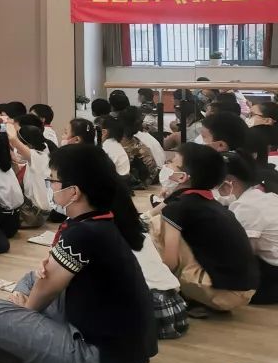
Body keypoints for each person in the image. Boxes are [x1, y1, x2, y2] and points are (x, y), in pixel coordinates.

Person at [0, 143, 158, 363]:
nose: (51, 186)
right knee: (31, 278)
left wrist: (20, 316)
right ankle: (19, 343)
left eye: (54, 181)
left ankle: (14, 344)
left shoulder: (83, 233)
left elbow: (45, 291)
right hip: (124, 351)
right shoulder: (103, 221)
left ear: (74, 192)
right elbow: (48, 280)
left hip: (100, 359)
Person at [152, 144, 258, 312]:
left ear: (183, 177)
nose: (167, 166)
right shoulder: (210, 203)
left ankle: (173, 294)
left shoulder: (179, 207)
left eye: (172, 163)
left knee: (156, 225)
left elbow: (170, 262)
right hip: (246, 289)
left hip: (221, 293)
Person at [222, 151, 278, 305]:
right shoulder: (263, 195)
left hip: (271, 275)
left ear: (230, 181)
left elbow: (244, 254)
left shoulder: (246, 207)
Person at [7, 122, 53, 227]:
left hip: (33, 214)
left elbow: (13, 139)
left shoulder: (37, 157)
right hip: (37, 213)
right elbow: (16, 158)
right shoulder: (42, 155)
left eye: (20, 145)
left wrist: (8, 123)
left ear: (29, 145)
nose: (17, 150)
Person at [119, 106, 159, 186]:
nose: (142, 122)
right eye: (140, 120)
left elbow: (153, 172)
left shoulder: (138, 144)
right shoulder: (115, 144)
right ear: (134, 122)